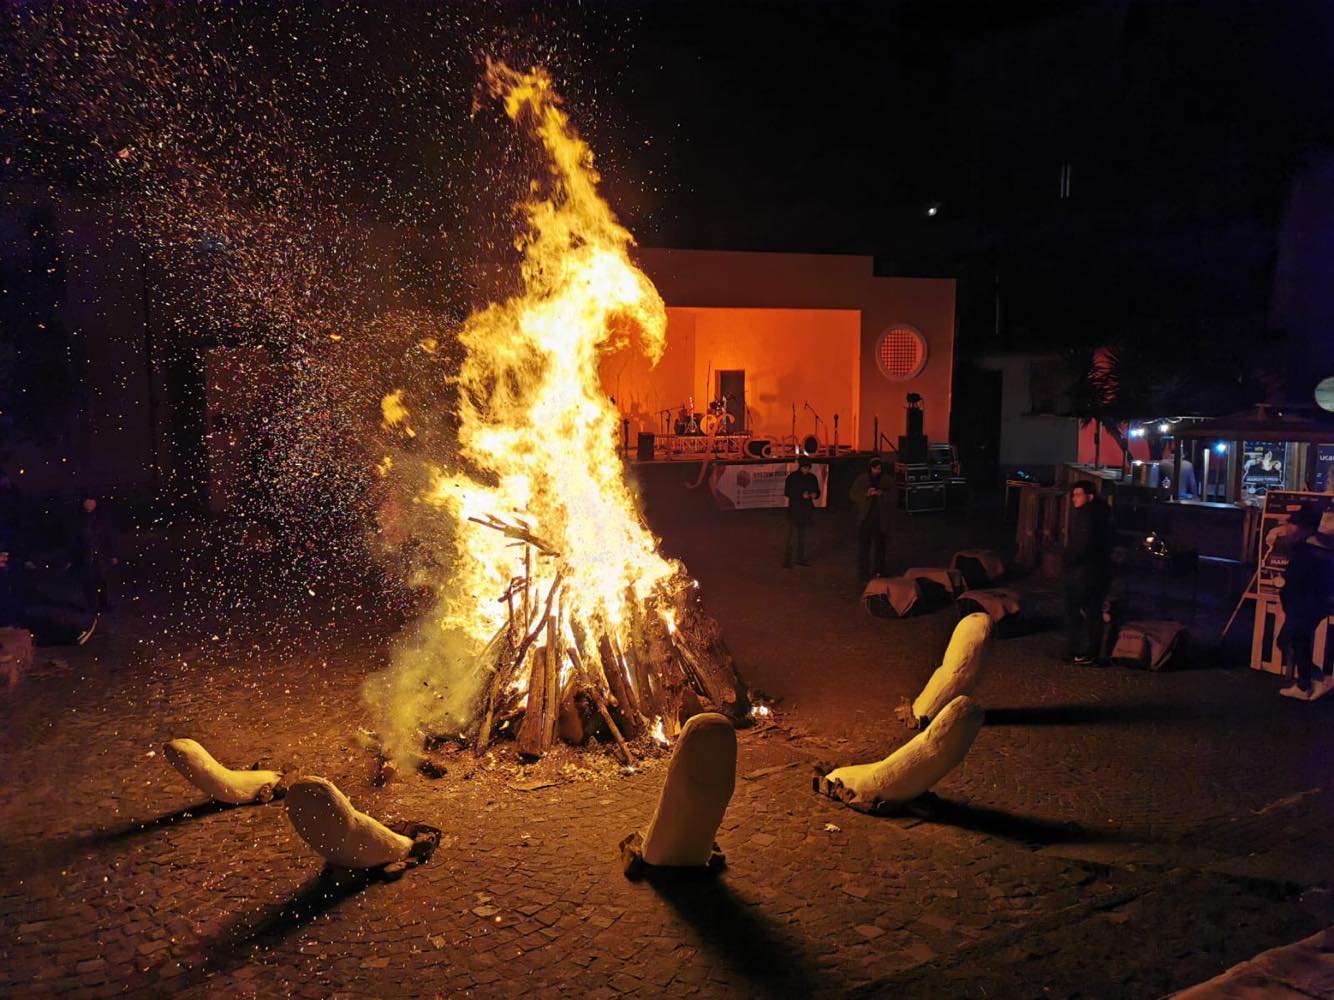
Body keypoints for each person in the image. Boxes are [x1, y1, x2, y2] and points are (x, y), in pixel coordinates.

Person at [1278, 507, 1333, 699]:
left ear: (1303, 527)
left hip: (1304, 605)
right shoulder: (1317, 548)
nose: (1288, 526)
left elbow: (1298, 580)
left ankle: (1305, 685)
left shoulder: (1307, 551)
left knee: (1290, 641)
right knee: (1292, 641)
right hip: (1309, 605)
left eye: (1292, 523)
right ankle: (1312, 680)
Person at [1063, 480, 1113, 665]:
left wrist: (1069, 560)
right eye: (1073, 494)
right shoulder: (1102, 514)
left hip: (1086, 572)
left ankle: (1080, 650)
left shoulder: (1087, 516)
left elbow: (1083, 545)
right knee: (1093, 611)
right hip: (1098, 571)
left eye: (1078, 495)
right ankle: (1091, 650)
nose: (1073, 498)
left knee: (1078, 609)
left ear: (1089, 497)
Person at [850, 456, 891, 580]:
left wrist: (882, 494)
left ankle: (879, 571)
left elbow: (893, 495)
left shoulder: (886, 480)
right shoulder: (862, 479)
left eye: (879, 469)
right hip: (865, 519)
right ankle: (863, 572)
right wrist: (866, 494)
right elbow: (853, 494)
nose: (877, 471)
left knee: (880, 546)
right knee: (864, 547)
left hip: (879, 519)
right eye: (875, 468)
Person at [69, 496, 111, 614]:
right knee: (87, 582)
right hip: (85, 555)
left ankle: (104, 604)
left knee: (102, 581)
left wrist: (112, 554)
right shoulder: (79, 519)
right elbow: (74, 539)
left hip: (100, 555)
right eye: (87, 502)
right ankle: (91, 606)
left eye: (92, 501)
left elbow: (108, 536)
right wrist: (74, 557)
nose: (89, 504)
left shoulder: (101, 518)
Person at [783, 457, 821, 568]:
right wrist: (800, 495)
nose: (806, 470)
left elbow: (817, 491)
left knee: (802, 536)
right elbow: (787, 492)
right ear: (800, 467)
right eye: (805, 468)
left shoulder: (812, 477)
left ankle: (800, 558)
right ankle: (788, 560)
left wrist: (815, 494)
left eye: (808, 468)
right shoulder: (792, 477)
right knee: (792, 536)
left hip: (806, 510)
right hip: (794, 510)